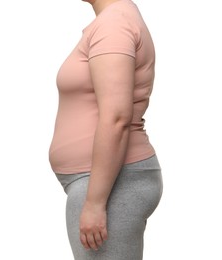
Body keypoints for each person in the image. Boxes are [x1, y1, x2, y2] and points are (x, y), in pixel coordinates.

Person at [48, 0, 163, 259]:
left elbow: (116, 117)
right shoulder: (114, 20)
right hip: (102, 182)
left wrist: (95, 202)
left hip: (110, 184)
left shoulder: (114, 24)